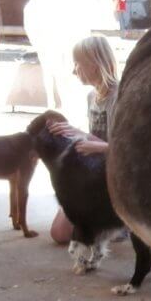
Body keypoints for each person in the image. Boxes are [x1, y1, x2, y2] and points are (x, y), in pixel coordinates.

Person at [48, 35, 118, 244]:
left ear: (95, 65)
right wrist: (76, 133)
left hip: (117, 173)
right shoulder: (92, 97)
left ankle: (118, 219)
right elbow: (98, 138)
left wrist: (93, 146)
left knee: (61, 233)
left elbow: (129, 151)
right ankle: (106, 219)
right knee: (58, 232)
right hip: (96, 170)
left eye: (77, 64)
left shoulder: (119, 97)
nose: (73, 70)